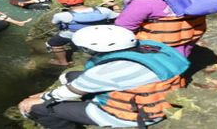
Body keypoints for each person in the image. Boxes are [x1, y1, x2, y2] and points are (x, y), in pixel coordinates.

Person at [18, 25, 190, 129]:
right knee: (71, 75)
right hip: (156, 97)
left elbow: (70, 93)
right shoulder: (154, 49)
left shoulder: (105, 71)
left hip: (131, 115)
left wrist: (41, 98)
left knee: (38, 108)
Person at [47, 0, 119, 66]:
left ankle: (63, 62)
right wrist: (114, 5)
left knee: (53, 43)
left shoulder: (62, 15)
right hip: (99, 32)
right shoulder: (103, 10)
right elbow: (117, 15)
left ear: (65, 4)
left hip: (73, 35)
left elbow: (53, 23)